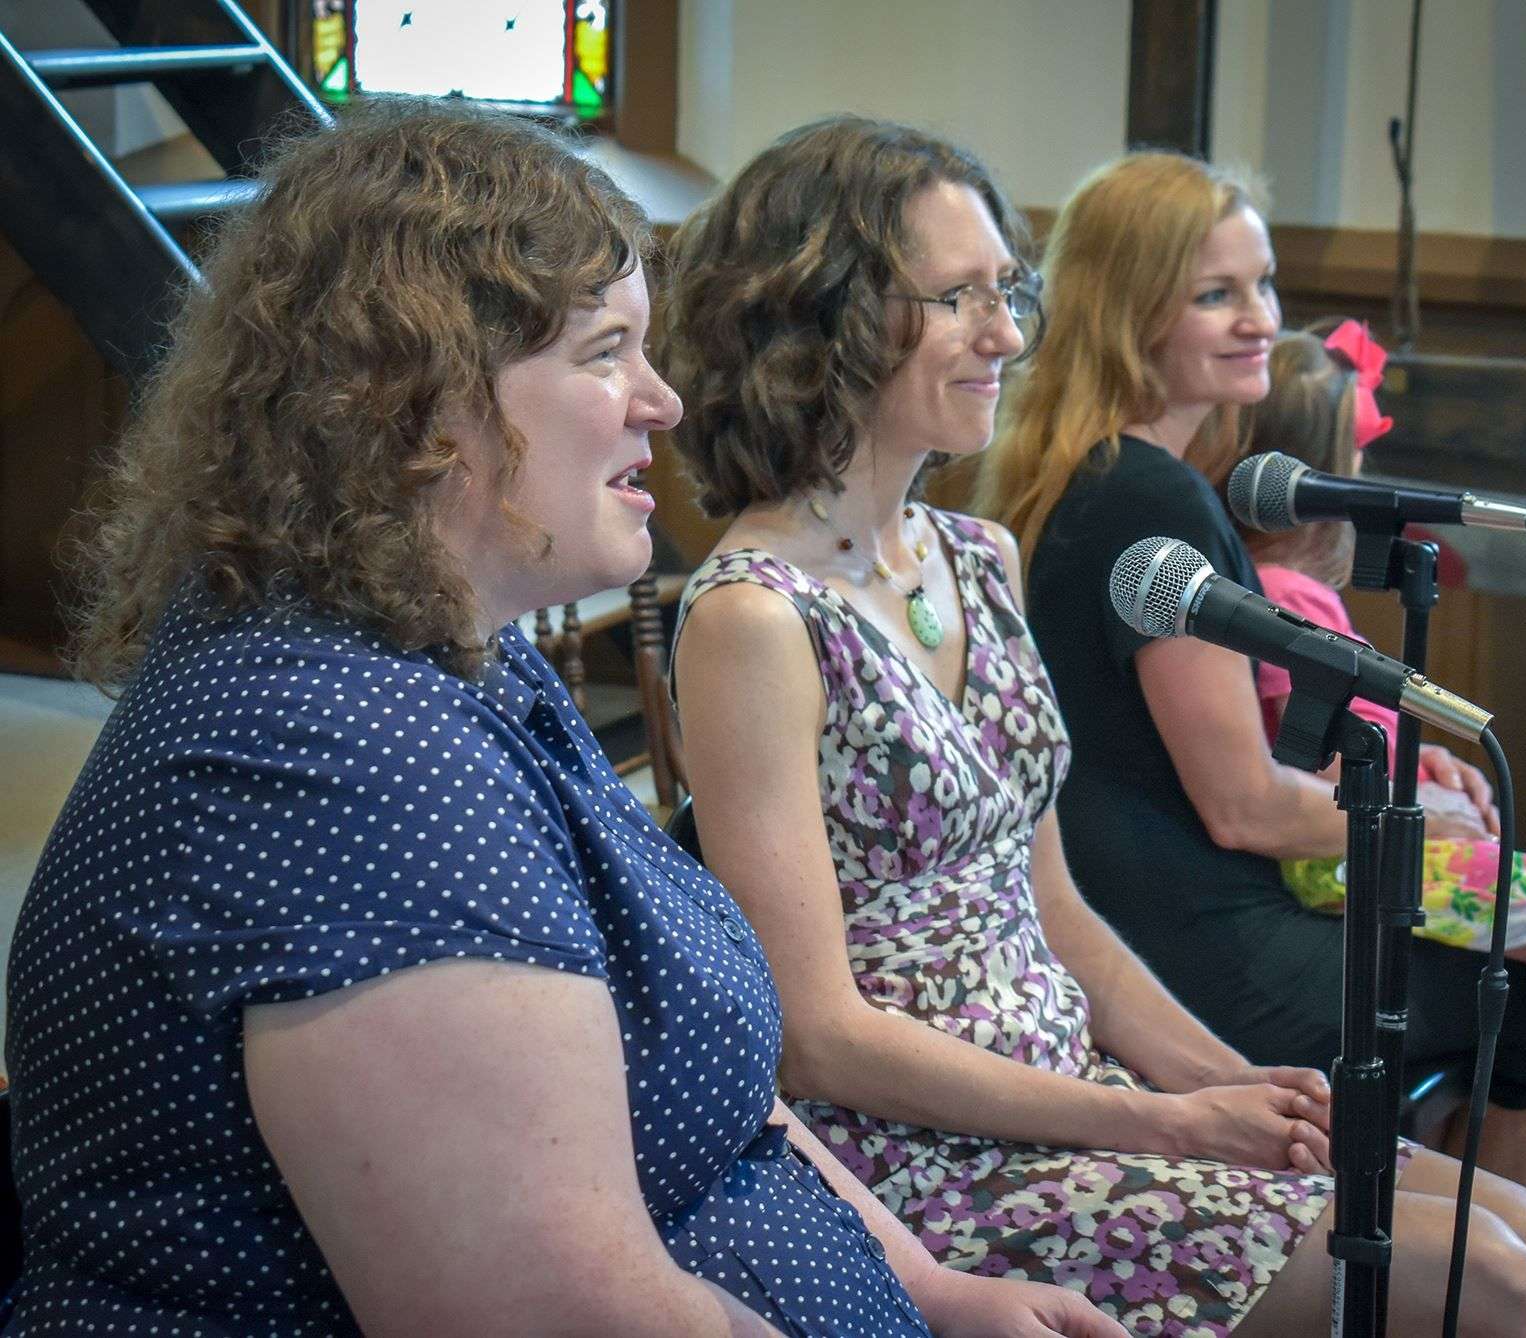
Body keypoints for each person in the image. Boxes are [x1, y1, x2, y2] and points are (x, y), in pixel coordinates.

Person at [3, 101, 1120, 1337]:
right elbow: (559, 1314)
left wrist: (938, 1292)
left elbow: (723, 1071)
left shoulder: (462, 661)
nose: (665, 403)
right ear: (413, 402)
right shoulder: (332, 757)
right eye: (604, 353)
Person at [665, 117, 1526, 1336]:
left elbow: (1061, 921)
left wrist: (1222, 1078)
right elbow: (819, 1041)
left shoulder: (975, 555)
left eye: (1008, 290)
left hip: (1082, 1088)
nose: (1008, 335)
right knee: (1491, 1276)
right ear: (818, 322)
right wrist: (1159, 1120)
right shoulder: (752, 618)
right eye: (957, 299)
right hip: (927, 1159)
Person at [975, 149, 1526, 1261]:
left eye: (1263, 285)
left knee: (1509, 969)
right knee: (1523, 975)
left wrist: (1386, 782)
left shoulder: (1099, 471)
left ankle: (1489, 1260)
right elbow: (1241, 808)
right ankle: (1504, 1269)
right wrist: (1429, 825)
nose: (1257, 320)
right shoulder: (1151, 496)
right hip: (1177, 940)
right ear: (1131, 313)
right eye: (1215, 294)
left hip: (1132, 900)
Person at [1229, 320, 1526, 1263]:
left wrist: (1426, 763)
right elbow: (1306, 756)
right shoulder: (1286, 594)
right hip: (1342, 861)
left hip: (1364, 844)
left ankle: (1525, 1201)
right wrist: (1426, 799)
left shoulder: (1274, 581)